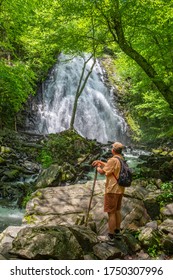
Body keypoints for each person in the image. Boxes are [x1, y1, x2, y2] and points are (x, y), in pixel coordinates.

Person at [92, 142, 125, 244]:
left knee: (111, 213)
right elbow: (112, 167)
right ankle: (118, 231)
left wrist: (98, 167)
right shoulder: (121, 159)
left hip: (112, 189)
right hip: (120, 189)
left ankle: (111, 236)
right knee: (117, 210)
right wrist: (101, 162)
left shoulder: (112, 160)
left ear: (113, 150)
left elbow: (103, 172)